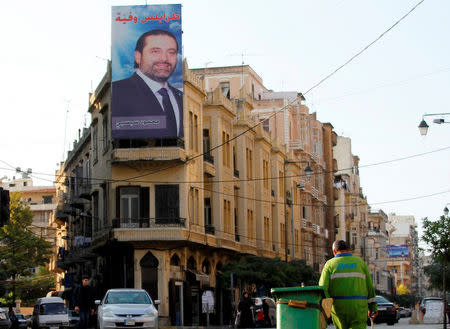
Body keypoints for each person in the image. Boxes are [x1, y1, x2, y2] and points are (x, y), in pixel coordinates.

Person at [112, 29, 183, 138]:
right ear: (138, 56)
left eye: (171, 52)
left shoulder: (180, 97)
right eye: (156, 51)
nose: (164, 58)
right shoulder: (119, 91)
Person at [319, 240, 378, 329]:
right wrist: (373, 308)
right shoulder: (360, 263)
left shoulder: (330, 264)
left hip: (338, 307)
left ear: (334, 251)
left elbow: (322, 287)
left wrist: (328, 306)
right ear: (349, 250)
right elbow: (369, 287)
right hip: (359, 306)